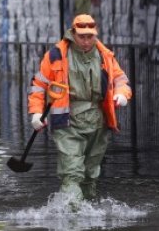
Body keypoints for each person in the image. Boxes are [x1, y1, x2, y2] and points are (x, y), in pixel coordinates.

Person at [28, 14, 132, 201]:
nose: (86, 41)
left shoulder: (105, 56)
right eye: (81, 36)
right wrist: (36, 112)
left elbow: (121, 80)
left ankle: (87, 215)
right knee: (72, 173)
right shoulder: (56, 56)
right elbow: (38, 86)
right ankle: (71, 219)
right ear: (73, 34)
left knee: (90, 175)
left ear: (95, 34)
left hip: (98, 123)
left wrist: (122, 94)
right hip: (67, 122)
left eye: (89, 36)